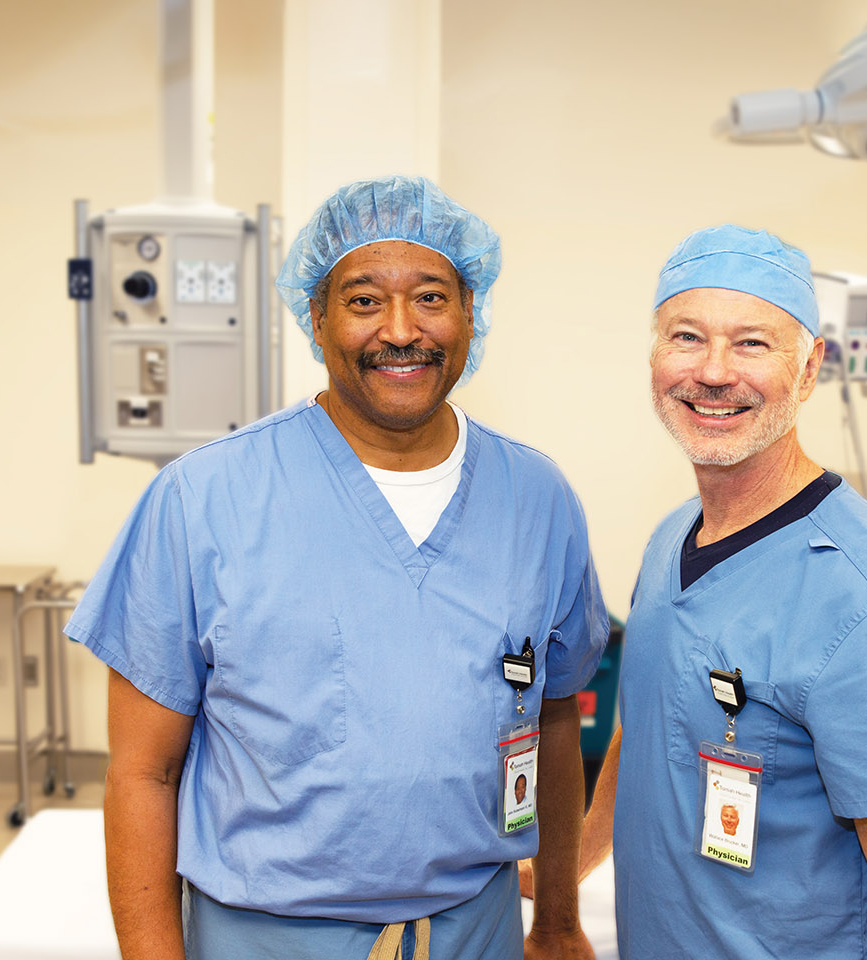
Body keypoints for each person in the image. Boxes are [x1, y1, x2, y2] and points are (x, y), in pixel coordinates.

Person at [66, 176, 608, 960]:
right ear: (315, 319)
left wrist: (555, 921)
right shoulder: (204, 499)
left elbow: (555, 721)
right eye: (361, 301)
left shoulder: (536, 498)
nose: (400, 330)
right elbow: (143, 775)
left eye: (430, 297)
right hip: (264, 937)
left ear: (468, 314)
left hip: (476, 930)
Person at [577, 225, 867, 959]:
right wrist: (566, 871)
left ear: (808, 369)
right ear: (652, 357)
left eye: (751, 344)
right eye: (686, 337)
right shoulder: (672, 537)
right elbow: (645, 726)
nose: (711, 371)